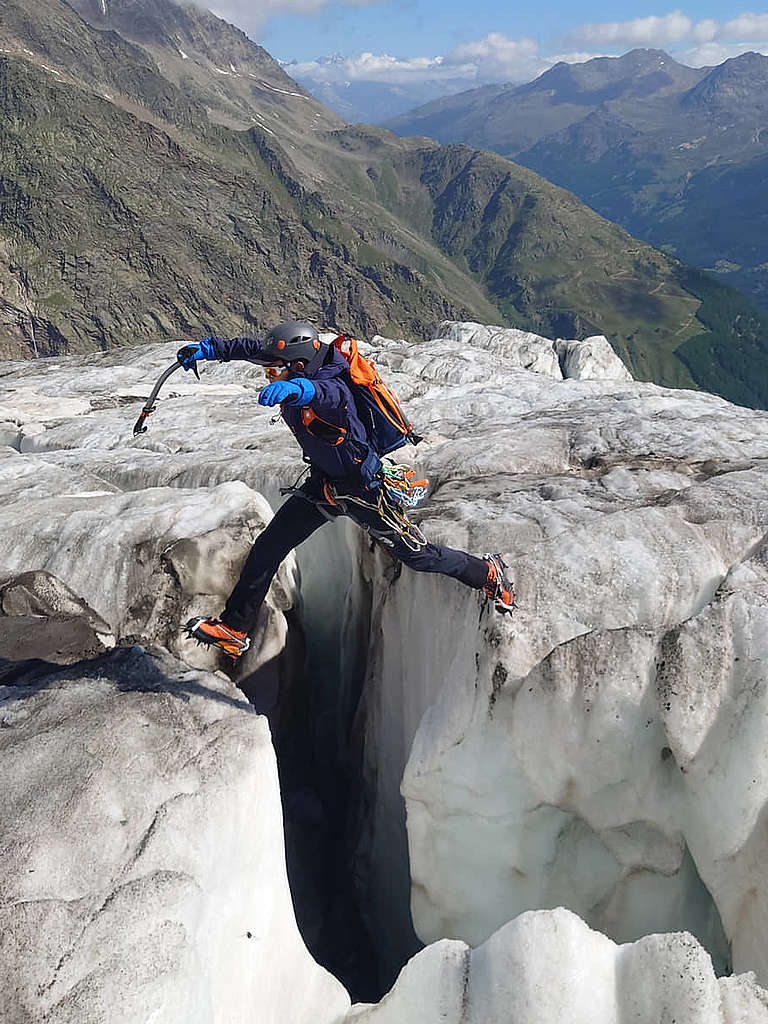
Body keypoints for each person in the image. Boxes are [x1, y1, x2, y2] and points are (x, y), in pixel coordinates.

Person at [179, 321, 514, 659]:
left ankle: (487, 572)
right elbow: (253, 349)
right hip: (324, 485)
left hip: (363, 491)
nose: (268, 375)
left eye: (273, 372)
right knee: (269, 546)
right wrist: (211, 350)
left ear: (297, 366)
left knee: (417, 554)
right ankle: (235, 629)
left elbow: (324, 394)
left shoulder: (332, 387)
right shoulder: (295, 363)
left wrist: (296, 390)